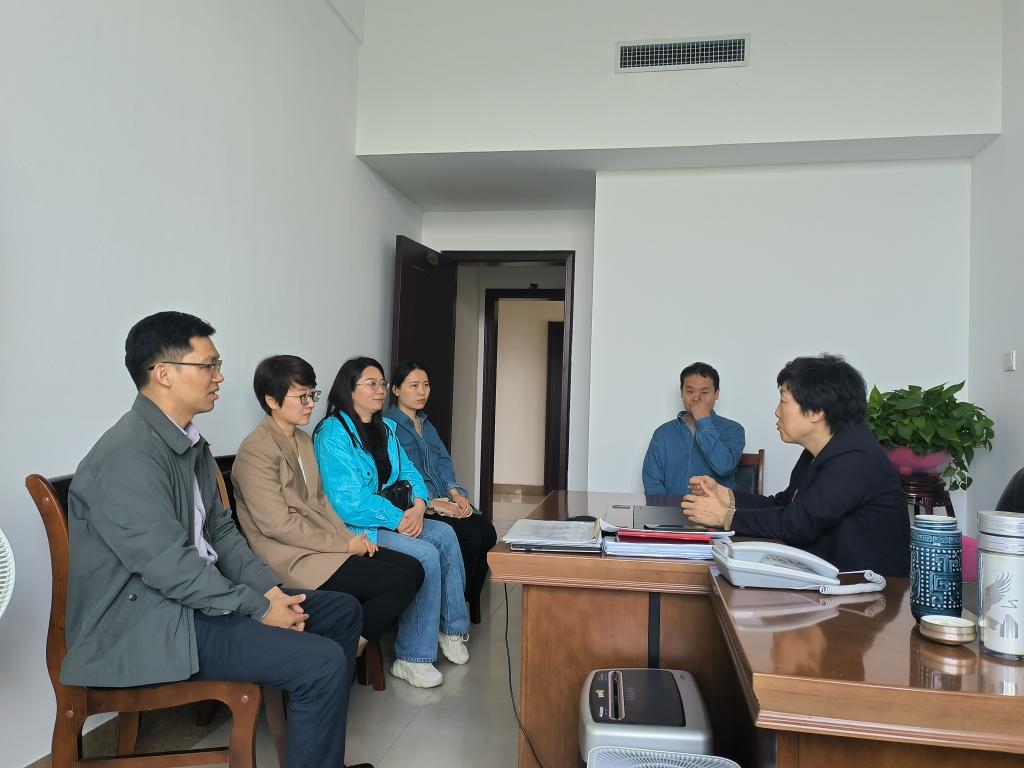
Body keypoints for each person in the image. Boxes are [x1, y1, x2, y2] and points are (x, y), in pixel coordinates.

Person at [62, 312, 370, 768]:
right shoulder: (127, 453)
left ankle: (317, 758)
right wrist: (259, 607)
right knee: (321, 661)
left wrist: (268, 591)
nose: (219, 376)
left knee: (342, 611)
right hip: (148, 621)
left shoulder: (189, 444)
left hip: (192, 604)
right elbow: (169, 566)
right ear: (163, 374)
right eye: (208, 365)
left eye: (217, 365)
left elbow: (221, 533)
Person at [232, 354, 425, 666]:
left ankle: (348, 645)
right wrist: (343, 546)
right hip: (290, 556)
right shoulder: (256, 452)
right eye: (302, 396)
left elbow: (321, 501)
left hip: (322, 545)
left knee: (414, 569)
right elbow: (278, 526)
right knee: (398, 581)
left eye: (313, 394)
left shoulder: (302, 440)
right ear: (271, 400)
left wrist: (350, 538)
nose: (310, 403)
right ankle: (344, 651)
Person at [314, 356, 470, 689]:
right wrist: (400, 519)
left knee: (445, 534)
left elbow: (411, 473)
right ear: (349, 390)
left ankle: (451, 629)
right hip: (359, 528)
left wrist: (419, 505)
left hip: (395, 516)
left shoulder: (384, 428)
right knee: (424, 553)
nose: (380, 390)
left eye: (382, 384)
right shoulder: (332, 433)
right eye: (372, 384)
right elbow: (349, 503)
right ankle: (412, 657)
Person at [683, 354, 910, 577]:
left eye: (783, 401)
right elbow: (784, 504)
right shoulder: (818, 451)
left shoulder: (856, 458)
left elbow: (798, 524)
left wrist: (725, 516)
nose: (777, 412)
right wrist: (726, 496)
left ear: (816, 412)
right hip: (832, 581)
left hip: (872, 591)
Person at [387, 360, 498, 624]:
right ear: (396, 390)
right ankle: (448, 608)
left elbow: (444, 462)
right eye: (414, 385)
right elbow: (399, 473)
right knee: (470, 536)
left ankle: (461, 599)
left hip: (443, 498)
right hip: (419, 504)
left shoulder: (426, 424)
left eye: (425, 385)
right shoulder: (389, 426)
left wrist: (456, 495)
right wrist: (433, 503)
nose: (421, 391)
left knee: (487, 532)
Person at [642, 362, 746, 494]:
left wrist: (703, 422)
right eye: (690, 391)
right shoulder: (662, 434)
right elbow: (652, 484)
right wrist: (666, 507)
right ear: (682, 392)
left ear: (716, 394)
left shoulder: (733, 430)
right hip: (669, 507)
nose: (696, 398)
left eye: (704, 392)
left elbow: (724, 467)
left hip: (714, 507)